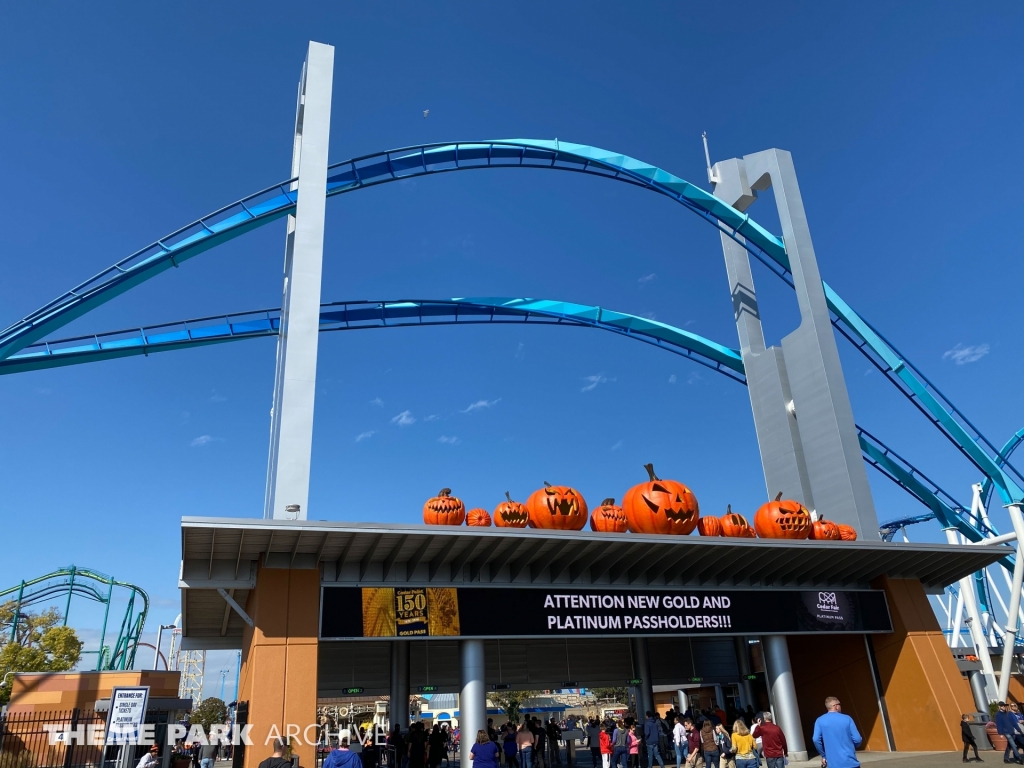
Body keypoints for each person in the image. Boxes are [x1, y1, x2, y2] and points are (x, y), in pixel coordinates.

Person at [811, 696, 862, 768]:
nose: (840, 706)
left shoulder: (819, 721)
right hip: (850, 762)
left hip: (833, 764)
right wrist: (851, 746)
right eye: (839, 704)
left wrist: (824, 755)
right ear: (835, 706)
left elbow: (815, 739)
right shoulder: (847, 718)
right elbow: (857, 739)